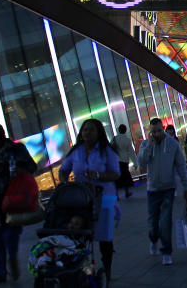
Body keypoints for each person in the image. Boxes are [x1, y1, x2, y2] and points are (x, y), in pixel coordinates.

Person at [59, 119, 121, 280]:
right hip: (81, 200)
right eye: (85, 129)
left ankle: (107, 269)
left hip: (104, 199)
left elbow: (116, 173)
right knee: (79, 233)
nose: (87, 132)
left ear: (99, 132)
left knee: (104, 238)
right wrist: (65, 184)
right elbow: (63, 170)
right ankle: (81, 267)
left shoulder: (107, 151)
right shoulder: (76, 151)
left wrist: (99, 175)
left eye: (91, 130)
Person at [0, 122, 37, 284]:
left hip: (13, 196)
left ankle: (12, 260)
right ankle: (0, 271)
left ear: (0, 137)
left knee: (10, 233)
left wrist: (18, 170)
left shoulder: (15, 148)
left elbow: (31, 166)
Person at [138, 118, 187, 266]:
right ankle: (153, 240)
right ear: (150, 132)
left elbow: (181, 165)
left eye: (159, 130)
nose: (157, 134)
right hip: (152, 190)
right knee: (152, 223)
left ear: (163, 128)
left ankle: (166, 252)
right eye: (154, 131)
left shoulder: (173, 144)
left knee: (165, 222)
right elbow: (140, 162)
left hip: (168, 189)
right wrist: (148, 146)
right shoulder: (146, 144)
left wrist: (185, 187)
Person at [113, 124, 138, 198]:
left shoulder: (114, 139)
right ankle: (126, 192)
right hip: (124, 160)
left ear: (119, 130)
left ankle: (116, 195)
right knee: (125, 176)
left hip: (116, 160)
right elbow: (131, 152)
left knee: (117, 177)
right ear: (125, 130)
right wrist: (135, 163)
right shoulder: (127, 140)